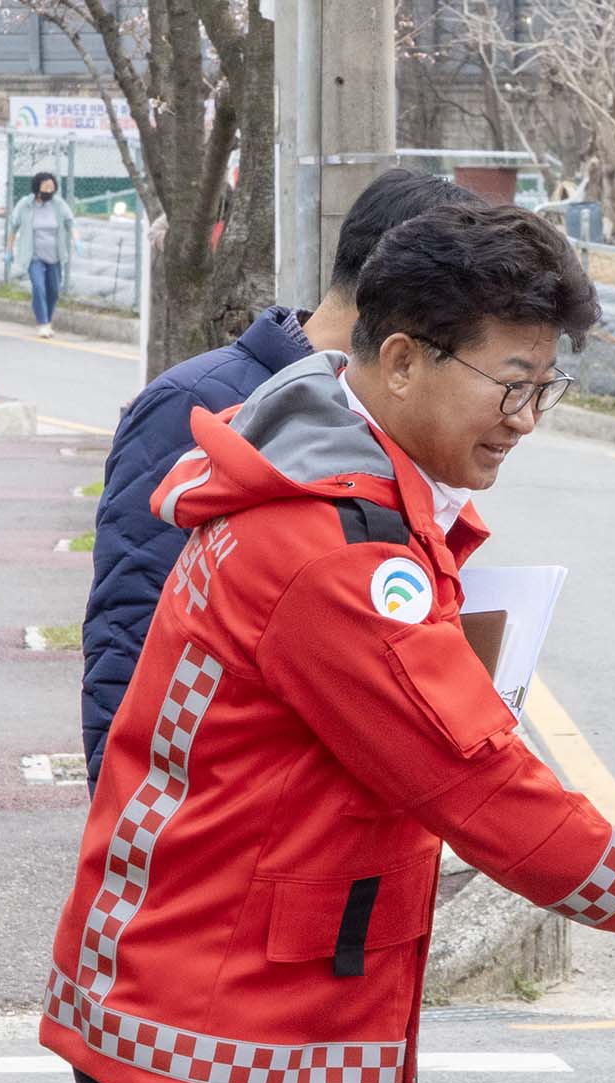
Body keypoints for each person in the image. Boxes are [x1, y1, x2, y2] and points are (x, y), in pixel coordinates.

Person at [41, 200, 615, 1083]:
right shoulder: (328, 549)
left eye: (546, 388)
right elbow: (484, 788)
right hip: (208, 1038)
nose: (528, 419)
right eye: (512, 383)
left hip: (313, 1019)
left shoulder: (372, 504)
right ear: (399, 360)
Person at [80, 167, 481, 790]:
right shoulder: (195, 401)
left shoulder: (386, 415)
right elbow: (131, 622)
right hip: (205, 816)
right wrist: (125, 806)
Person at [5, 171, 76, 337]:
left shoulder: (58, 204)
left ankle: (47, 321)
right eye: (46, 188)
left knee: (53, 290)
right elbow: (13, 227)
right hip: (34, 256)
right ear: (37, 188)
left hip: (55, 256)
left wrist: (76, 239)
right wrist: (9, 250)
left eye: (52, 188)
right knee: (38, 287)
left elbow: (70, 223)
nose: (49, 192)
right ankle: (42, 323)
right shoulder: (25, 204)